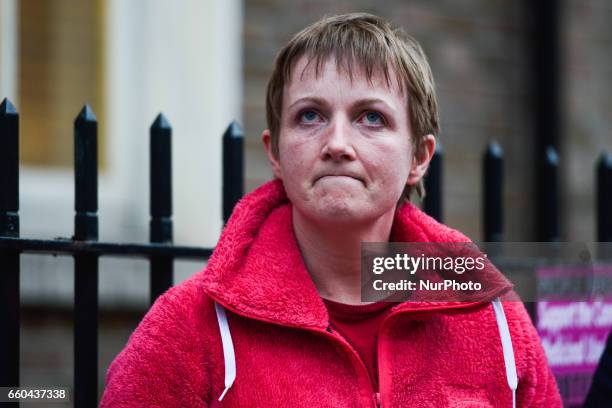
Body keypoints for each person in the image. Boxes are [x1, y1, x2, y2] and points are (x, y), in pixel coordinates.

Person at [101, 13, 562, 407]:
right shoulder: (190, 327)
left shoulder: (493, 321)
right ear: (276, 153)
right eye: (310, 116)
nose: (337, 145)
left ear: (420, 158)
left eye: (371, 118)